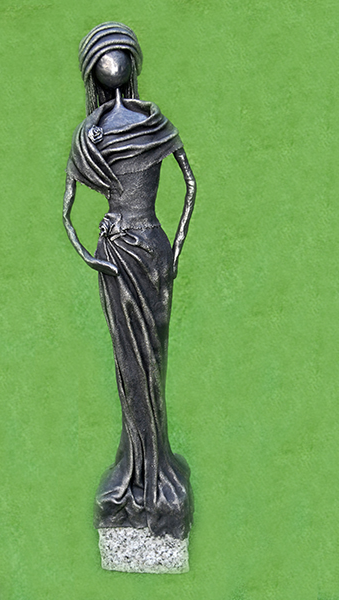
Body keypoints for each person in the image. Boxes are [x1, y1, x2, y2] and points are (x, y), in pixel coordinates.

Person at [63, 22, 196, 540]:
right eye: (106, 55)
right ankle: (138, 474)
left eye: (117, 54)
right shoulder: (91, 136)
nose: (113, 64)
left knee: (152, 365)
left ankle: (156, 471)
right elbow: (68, 213)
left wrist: (175, 247)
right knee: (133, 368)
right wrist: (95, 258)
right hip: (126, 257)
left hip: (142, 254)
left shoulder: (148, 123)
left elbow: (190, 185)